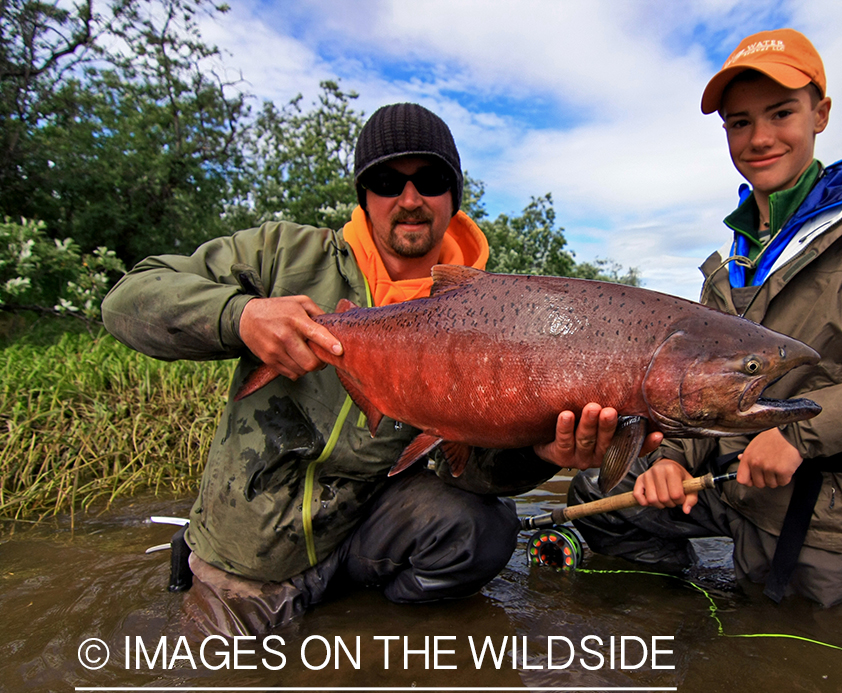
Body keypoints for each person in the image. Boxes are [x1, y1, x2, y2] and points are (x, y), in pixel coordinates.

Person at [103, 102, 658, 634]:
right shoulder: (282, 255)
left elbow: (470, 475)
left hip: (368, 530)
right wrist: (241, 316)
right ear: (364, 195)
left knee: (484, 529)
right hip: (253, 551)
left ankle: (370, 631)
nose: (410, 198)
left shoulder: (495, 308)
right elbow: (128, 300)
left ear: (453, 195)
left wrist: (544, 455)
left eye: (430, 181)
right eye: (388, 182)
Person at [568, 29, 842, 609]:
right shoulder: (735, 258)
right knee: (600, 493)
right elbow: (702, 398)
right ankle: (685, 617)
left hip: (833, 517)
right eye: (739, 122)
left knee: (813, 666)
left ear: (820, 114)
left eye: (781, 113)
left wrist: (802, 434)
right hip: (732, 486)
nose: (759, 138)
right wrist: (671, 462)